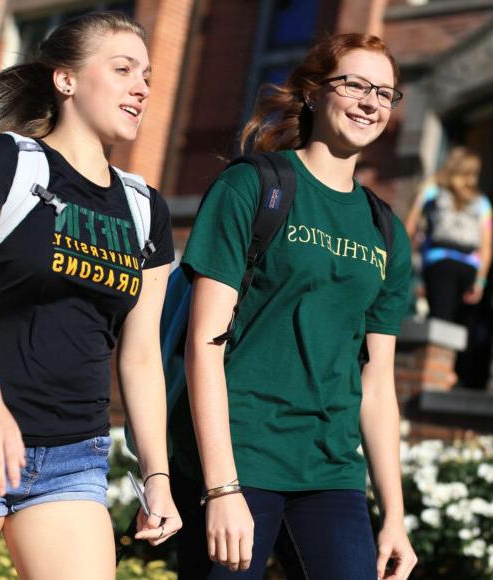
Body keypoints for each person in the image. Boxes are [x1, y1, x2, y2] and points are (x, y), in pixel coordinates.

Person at [0, 12, 181, 579]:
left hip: (74, 457)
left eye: (145, 74)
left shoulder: (147, 209)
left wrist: (158, 476)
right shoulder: (2, 160)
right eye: (122, 69)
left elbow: (142, 355)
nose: (141, 87)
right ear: (65, 80)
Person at [171, 33, 418, 579]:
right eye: (354, 84)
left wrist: (395, 517)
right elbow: (203, 345)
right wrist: (221, 487)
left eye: (385, 92)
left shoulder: (386, 232)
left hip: (330, 470)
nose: (371, 101)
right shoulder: (252, 187)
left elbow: (378, 386)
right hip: (241, 455)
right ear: (312, 93)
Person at [404, 146, 493, 324]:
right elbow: (487, 247)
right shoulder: (482, 203)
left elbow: (408, 227)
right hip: (470, 268)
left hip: (439, 263)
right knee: (460, 330)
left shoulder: (433, 191)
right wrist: (480, 281)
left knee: (438, 324)